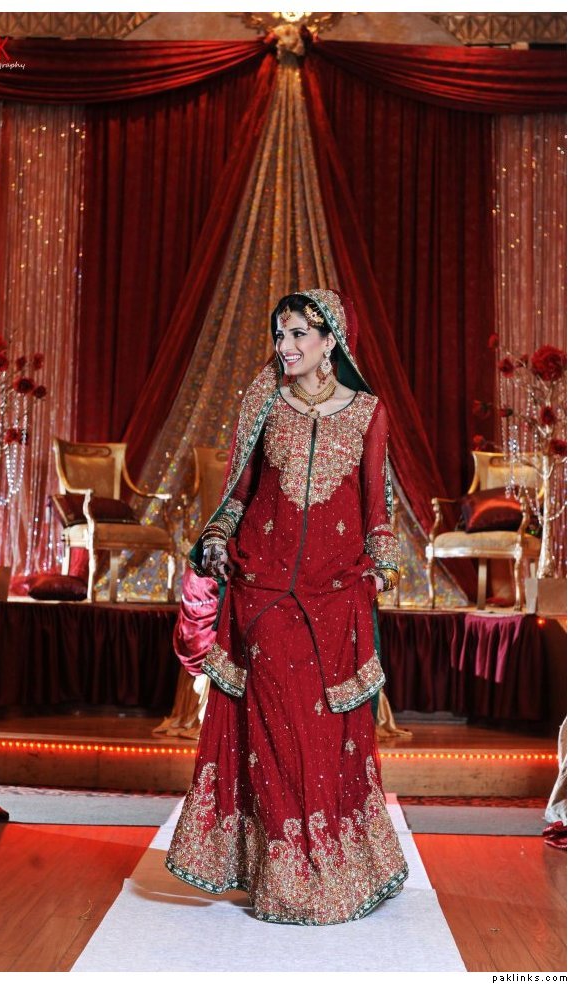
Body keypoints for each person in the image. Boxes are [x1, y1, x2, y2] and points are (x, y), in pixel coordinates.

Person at [165, 289, 408, 925]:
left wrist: (383, 567)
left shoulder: (369, 412)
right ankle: (285, 872)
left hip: (338, 593)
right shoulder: (264, 401)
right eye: (280, 334)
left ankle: (333, 861)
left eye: (299, 334)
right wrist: (215, 540)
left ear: (331, 341)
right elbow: (237, 493)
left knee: (326, 733)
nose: (286, 346)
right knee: (277, 728)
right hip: (265, 587)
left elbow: (376, 508)